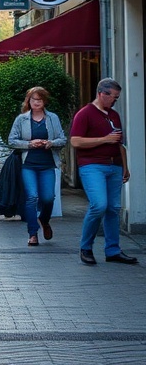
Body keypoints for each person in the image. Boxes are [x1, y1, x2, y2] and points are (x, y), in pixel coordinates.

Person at [70, 78, 138, 266]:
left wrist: (124, 166)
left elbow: (119, 143)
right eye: (114, 97)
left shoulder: (114, 115)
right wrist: (104, 139)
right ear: (102, 94)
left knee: (113, 209)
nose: (115, 101)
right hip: (92, 166)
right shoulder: (85, 114)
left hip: (114, 166)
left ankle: (113, 250)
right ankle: (86, 247)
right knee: (99, 205)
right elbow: (76, 141)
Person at [7, 86, 67, 247]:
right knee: (32, 197)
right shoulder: (22, 119)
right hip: (29, 165)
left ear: (44, 101)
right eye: (33, 99)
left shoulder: (52, 118)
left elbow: (63, 139)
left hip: (48, 164)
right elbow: (12, 141)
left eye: (39, 100)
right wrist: (29, 144)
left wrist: (51, 143)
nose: (36, 102)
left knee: (48, 198)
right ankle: (32, 233)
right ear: (29, 101)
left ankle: (44, 220)